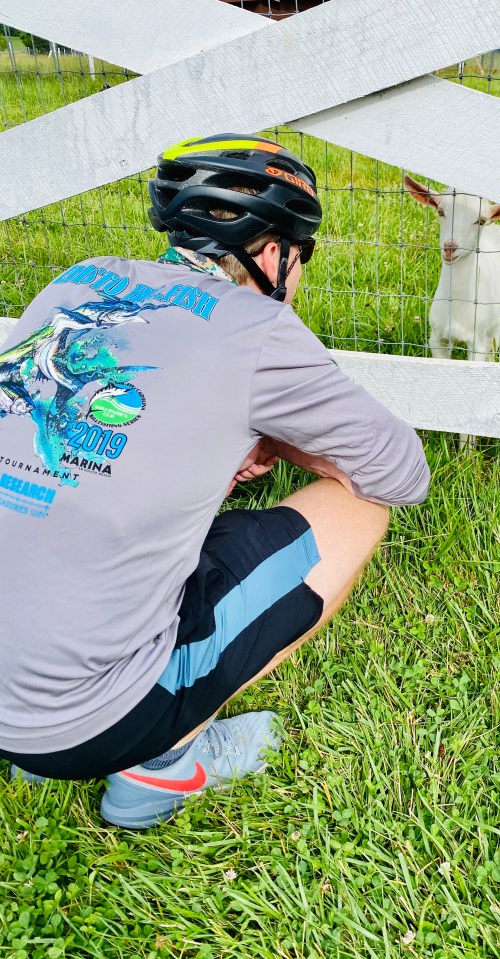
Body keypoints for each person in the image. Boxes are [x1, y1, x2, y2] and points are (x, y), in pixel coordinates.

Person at [0, 134, 429, 828]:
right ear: (275, 254)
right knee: (362, 508)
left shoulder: (78, 280)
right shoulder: (256, 326)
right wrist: (289, 444)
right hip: (78, 724)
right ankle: (161, 766)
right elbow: (400, 472)